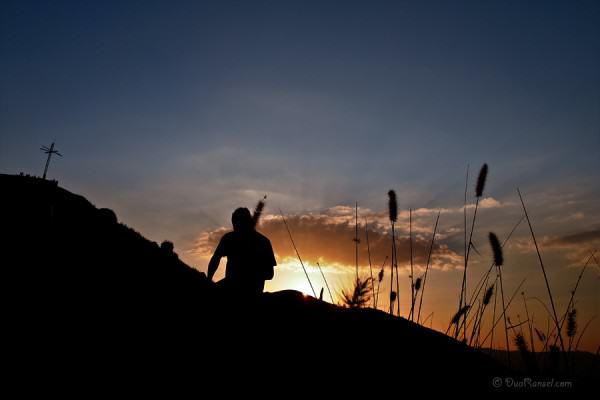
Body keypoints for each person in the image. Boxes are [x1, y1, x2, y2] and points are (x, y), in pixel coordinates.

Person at [207, 207, 276, 296]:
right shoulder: (228, 238)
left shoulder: (263, 242)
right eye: (234, 225)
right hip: (230, 287)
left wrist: (246, 275)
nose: (236, 228)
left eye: (239, 224)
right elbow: (215, 259)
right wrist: (208, 280)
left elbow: (270, 274)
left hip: (253, 292)